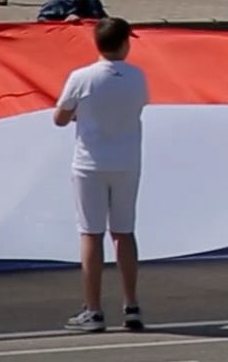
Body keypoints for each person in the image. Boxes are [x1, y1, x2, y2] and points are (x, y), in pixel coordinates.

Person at [55, 17, 149, 332]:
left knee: (91, 233)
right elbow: (136, 108)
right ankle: (131, 304)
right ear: (124, 43)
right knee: (124, 232)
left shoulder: (81, 77)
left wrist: (80, 113)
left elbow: (60, 117)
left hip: (90, 164)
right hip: (126, 162)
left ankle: (93, 309)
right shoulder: (137, 76)